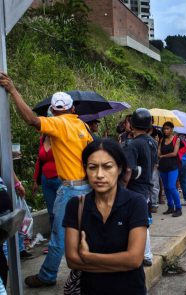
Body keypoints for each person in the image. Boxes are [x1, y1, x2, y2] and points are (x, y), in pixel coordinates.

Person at [0, 73, 94, 287]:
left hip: (70, 189)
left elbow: (32, 120)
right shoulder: (82, 126)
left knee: (59, 236)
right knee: (83, 234)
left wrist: (13, 90)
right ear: (72, 109)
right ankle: (87, 271)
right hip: (87, 187)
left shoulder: (58, 123)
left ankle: (48, 275)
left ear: (54, 109)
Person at [63, 139, 148, 295]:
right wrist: (120, 263)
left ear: (119, 168)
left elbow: (134, 259)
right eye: (92, 167)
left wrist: (88, 257)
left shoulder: (135, 203)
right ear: (85, 169)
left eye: (107, 167)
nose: (99, 175)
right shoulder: (76, 205)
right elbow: (72, 260)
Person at [122, 108, 156, 266]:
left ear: (132, 124)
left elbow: (128, 169)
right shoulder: (152, 142)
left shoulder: (133, 145)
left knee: (136, 223)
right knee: (143, 221)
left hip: (135, 188)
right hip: (147, 186)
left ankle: (145, 255)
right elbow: (154, 164)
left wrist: (122, 188)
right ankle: (146, 254)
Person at [32, 134, 61, 235]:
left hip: (60, 178)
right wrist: (35, 180)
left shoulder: (59, 137)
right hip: (46, 180)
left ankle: (64, 240)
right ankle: (54, 238)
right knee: (51, 212)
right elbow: (39, 160)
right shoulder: (43, 138)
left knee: (61, 212)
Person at [158, 122, 183, 217]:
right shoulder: (162, 139)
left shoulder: (177, 139)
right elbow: (158, 151)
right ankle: (170, 206)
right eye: (164, 129)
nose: (165, 130)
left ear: (172, 129)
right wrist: (158, 151)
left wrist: (163, 155)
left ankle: (178, 208)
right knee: (166, 188)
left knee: (172, 187)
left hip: (173, 166)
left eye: (167, 128)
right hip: (163, 167)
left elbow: (174, 153)